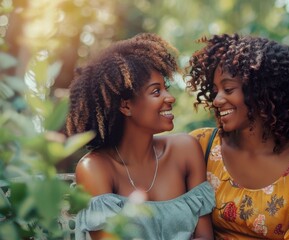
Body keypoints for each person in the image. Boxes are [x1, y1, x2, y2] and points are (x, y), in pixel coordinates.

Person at [66, 33, 214, 240]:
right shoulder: (95, 168)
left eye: (166, 88)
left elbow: (205, 236)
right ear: (126, 105)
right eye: (156, 92)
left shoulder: (186, 150)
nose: (169, 98)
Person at [187, 34, 289, 239]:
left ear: (261, 91)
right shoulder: (201, 145)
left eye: (228, 89)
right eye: (215, 91)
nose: (217, 100)